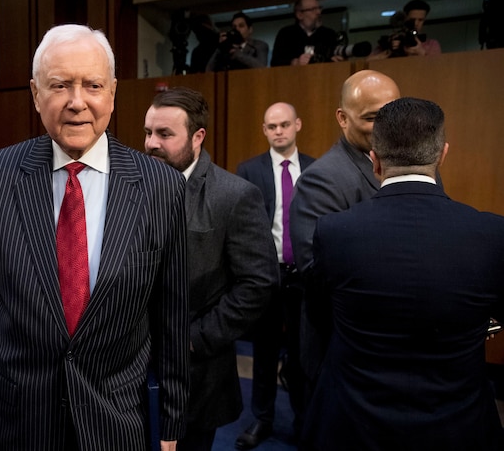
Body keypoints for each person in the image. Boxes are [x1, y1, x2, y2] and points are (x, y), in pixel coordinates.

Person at [0, 24, 189, 451]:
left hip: (116, 422)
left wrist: (170, 427)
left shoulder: (161, 187)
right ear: (36, 94)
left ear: (112, 93)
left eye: (92, 85)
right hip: (20, 420)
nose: (78, 102)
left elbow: (170, 320)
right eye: (60, 85)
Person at [302, 97, 504, 450]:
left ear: (375, 161)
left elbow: (320, 315)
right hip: (458, 427)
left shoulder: (335, 232)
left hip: (354, 425)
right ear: (443, 154)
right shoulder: (492, 234)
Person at [143, 86, 277, 450]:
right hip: (130, 370)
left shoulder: (234, 196)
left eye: (165, 134)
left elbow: (258, 284)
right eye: (148, 132)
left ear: (198, 136)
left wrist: (195, 338)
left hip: (196, 373)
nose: (152, 143)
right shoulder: (133, 188)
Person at [289, 70, 400, 416]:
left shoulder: (412, 165)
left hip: (394, 360)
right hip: (340, 355)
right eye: (371, 118)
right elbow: (316, 273)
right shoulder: (323, 179)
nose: (386, 126)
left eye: (392, 113)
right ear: (342, 117)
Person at [234, 102, 315, 448]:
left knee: (304, 354)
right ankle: (262, 418)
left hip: (305, 276)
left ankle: (305, 419)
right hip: (266, 276)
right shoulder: (249, 170)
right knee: (264, 352)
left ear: (297, 125)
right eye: (271, 126)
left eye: (284, 124)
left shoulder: (316, 169)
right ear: (264, 130)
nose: (279, 131)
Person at [270, 0, 341, 67]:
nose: (318, 12)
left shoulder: (328, 34)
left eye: (319, 8)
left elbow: (336, 56)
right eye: (313, 9)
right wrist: (295, 62)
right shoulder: (286, 34)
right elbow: (275, 63)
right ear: (299, 15)